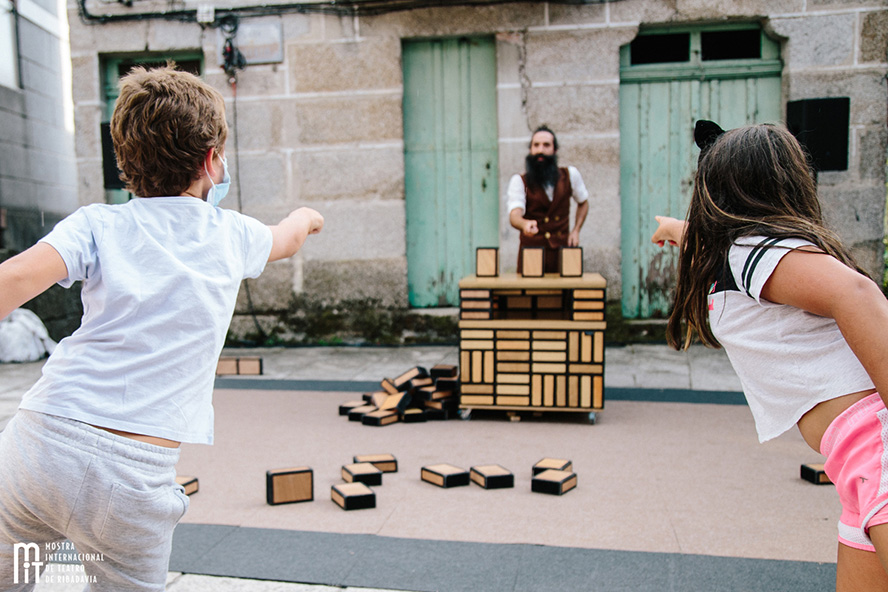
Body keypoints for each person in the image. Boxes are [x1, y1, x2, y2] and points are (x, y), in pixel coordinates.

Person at [0, 65, 324, 591]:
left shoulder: (97, 223)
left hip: (36, 452)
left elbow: (12, 278)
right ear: (210, 161)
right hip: (128, 483)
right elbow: (286, 238)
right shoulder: (232, 234)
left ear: (125, 161)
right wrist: (308, 216)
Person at [652, 120, 888, 591]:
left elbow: (859, 295)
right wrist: (677, 230)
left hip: (874, 447)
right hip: (854, 462)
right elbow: (709, 242)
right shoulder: (747, 253)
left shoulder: (755, 252)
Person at [505, 125, 589, 273]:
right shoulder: (519, 181)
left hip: (562, 252)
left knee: (562, 294)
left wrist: (576, 230)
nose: (540, 150)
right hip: (532, 255)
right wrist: (524, 224)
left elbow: (583, 202)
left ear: (554, 150)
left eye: (546, 145)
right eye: (536, 145)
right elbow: (514, 215)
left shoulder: (571, 175)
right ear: (530, 150)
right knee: (530, 295)